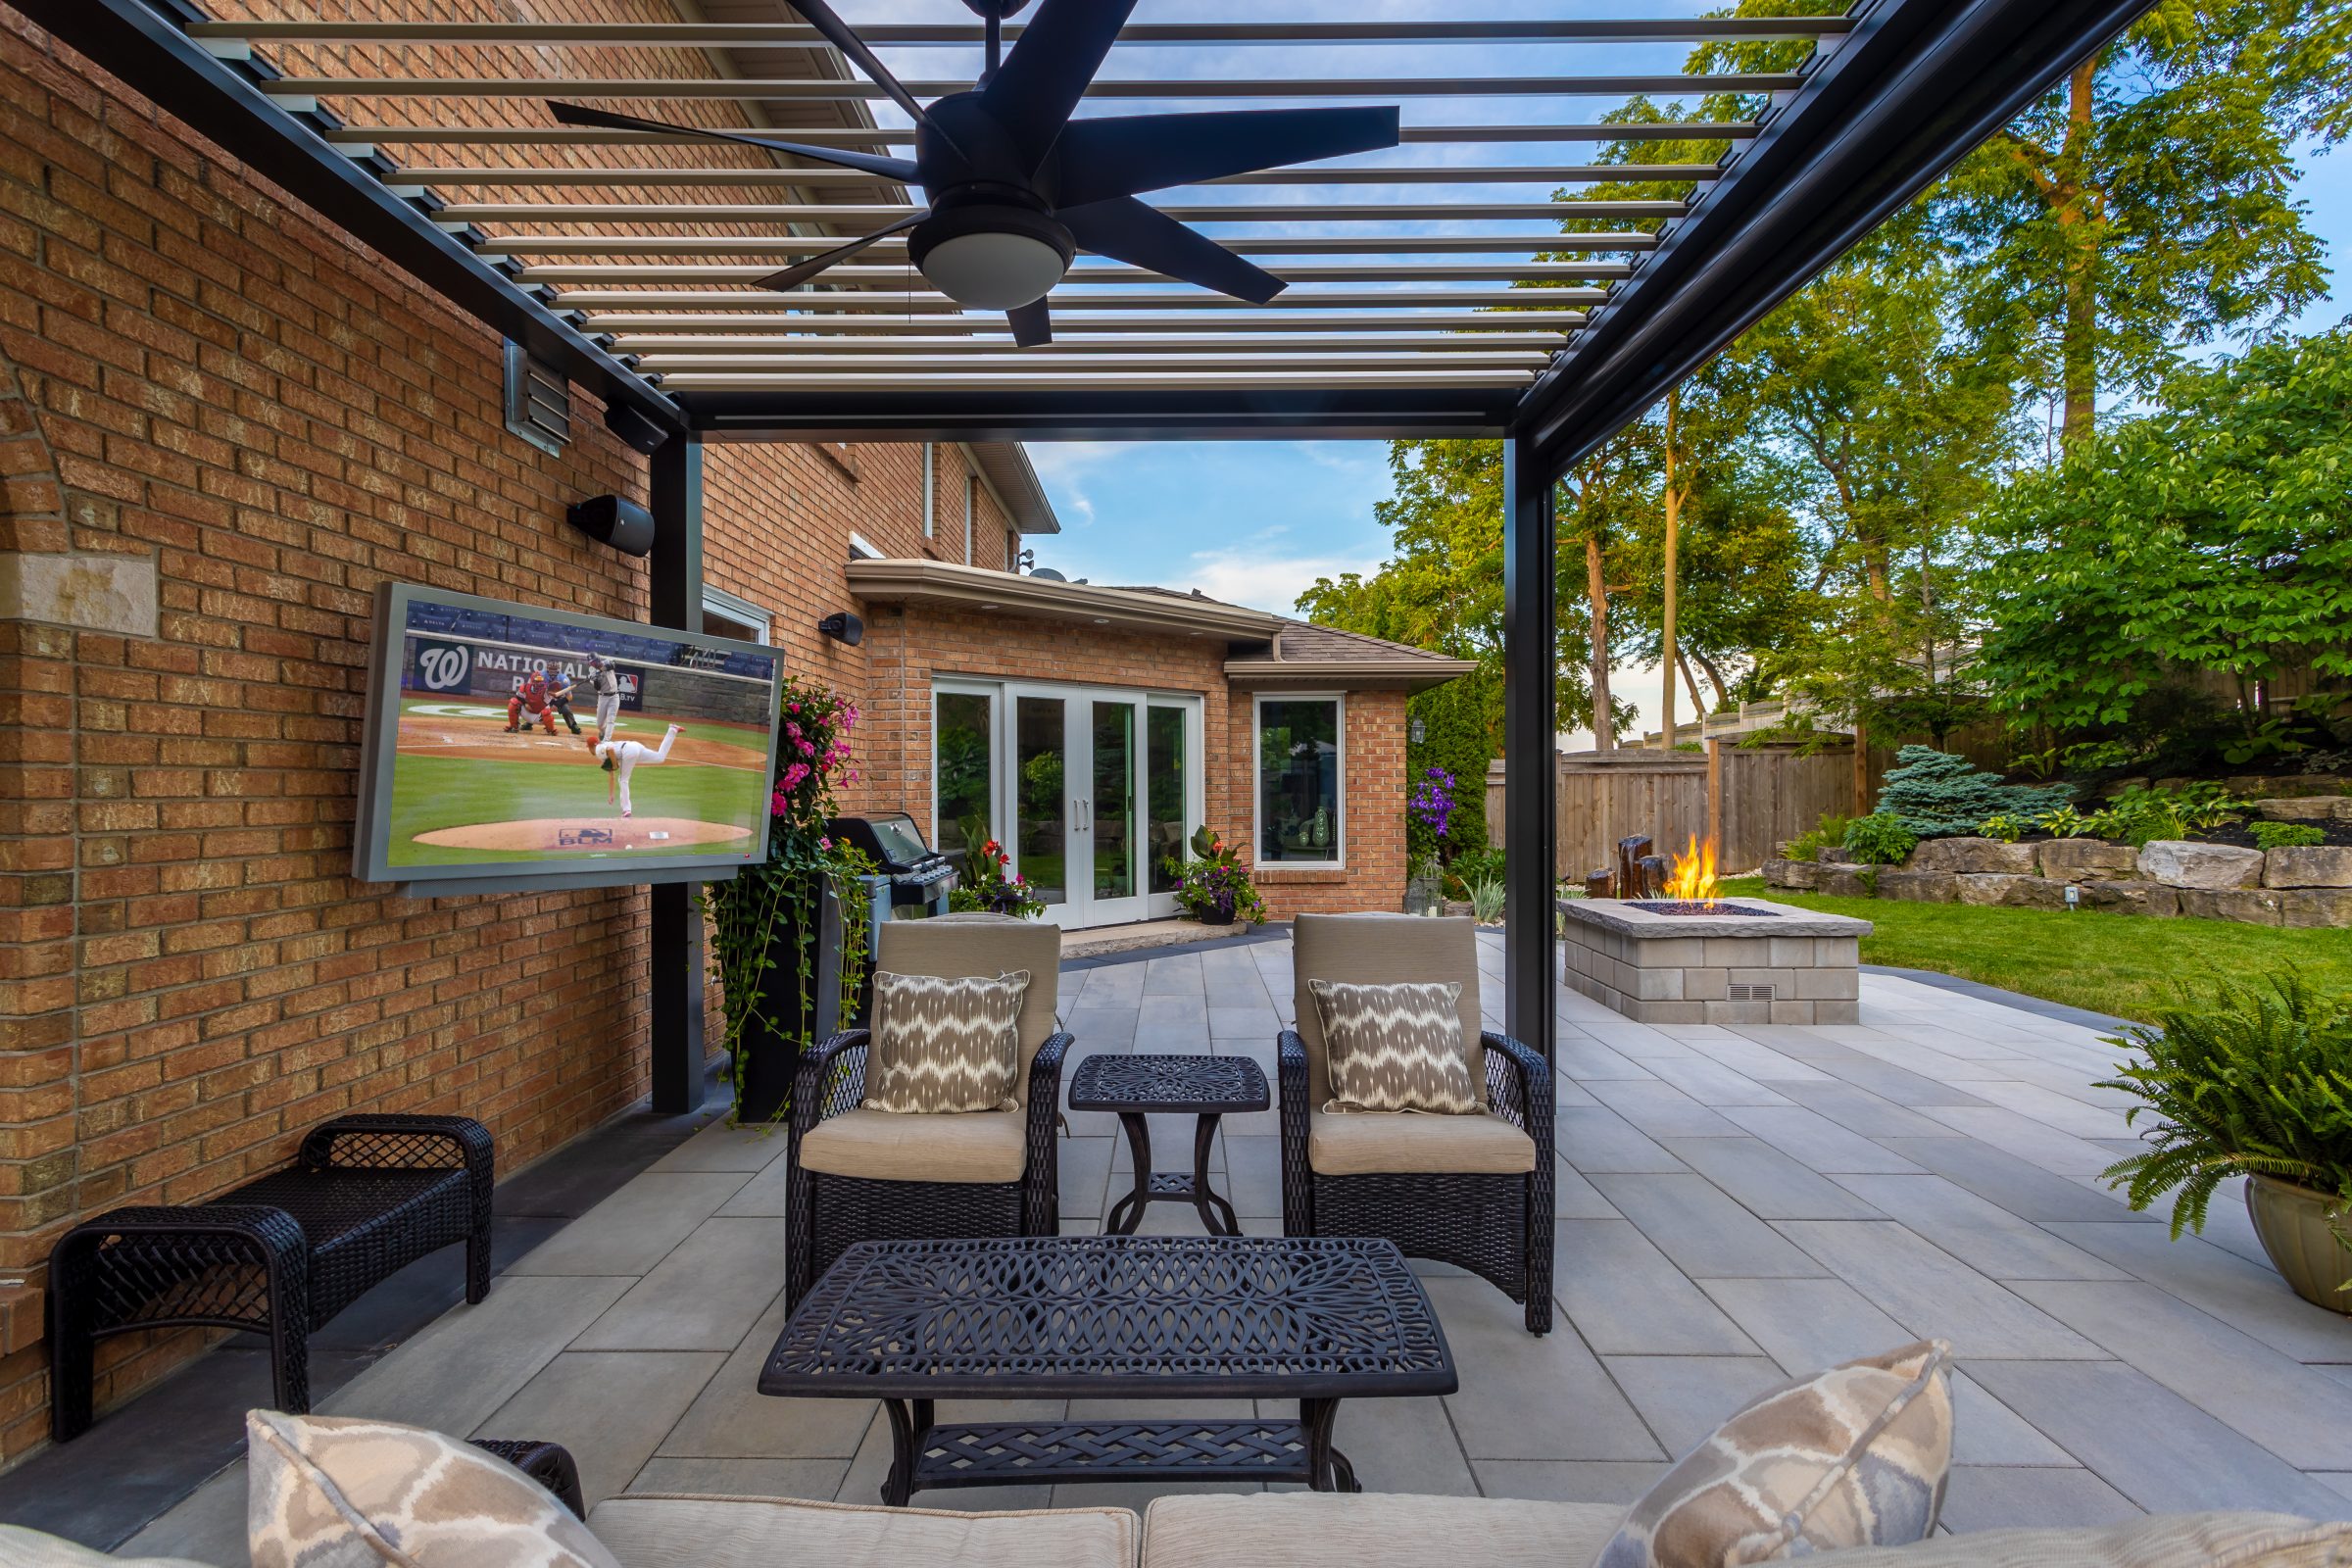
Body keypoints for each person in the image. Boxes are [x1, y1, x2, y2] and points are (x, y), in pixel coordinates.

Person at [586, 724, 680, 818]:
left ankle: (626, 810)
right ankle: (672, 731)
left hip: (628, 751)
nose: (589, 749)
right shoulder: (603, 751)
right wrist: (611, 794)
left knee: (623, 780)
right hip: (635, 746)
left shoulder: (598, 749)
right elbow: (611, 774)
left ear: (591, 746)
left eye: (588, 747)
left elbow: (610, 750)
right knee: (659, 758)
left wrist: (615, 765)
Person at [505, 670, 558, 735]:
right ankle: (514, 726)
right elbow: (518, 696)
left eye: (540, 681)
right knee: (513, 702)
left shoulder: (547, 690)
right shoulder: (525, 687)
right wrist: (525, 703)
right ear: (532, 680)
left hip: (539, 716)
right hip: (527, 713)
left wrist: (555, 695)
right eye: (537, 681)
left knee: (546, 712)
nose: (539, 683)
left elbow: (555, 696)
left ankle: (550, 730)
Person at [588, 653, 622, 739]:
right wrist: (595, 679)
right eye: (591, 663)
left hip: (614, 696)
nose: (593, 664)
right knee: (599, 724)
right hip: (603, 697)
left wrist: (601, 670)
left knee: (611, 720)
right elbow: (598, 688)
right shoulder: (592, 673)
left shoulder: (606, 661)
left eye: (594, 661)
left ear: (598, 659)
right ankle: (603, 731)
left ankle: (606, 740)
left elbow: (613, 664)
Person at [545, 668, 583, 735]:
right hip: (546, 698)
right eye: (551, 670)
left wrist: (557, 704)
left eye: (554, 670)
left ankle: (573, 726)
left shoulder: (564, 680)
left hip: (559, 699)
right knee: (537, 706)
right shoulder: (542, 677)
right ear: (547, 670)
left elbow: (570, 697)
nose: (552, 673)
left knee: (566, 710)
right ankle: (529, 723)